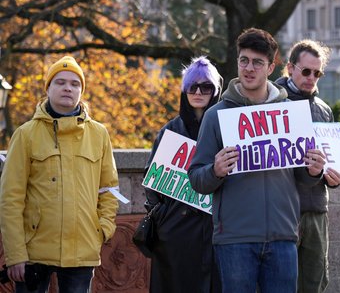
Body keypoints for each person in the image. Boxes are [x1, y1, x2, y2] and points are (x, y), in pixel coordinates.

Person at [188, 28, 326, 293]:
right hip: (234, 240)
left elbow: (303, 177)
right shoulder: (216, 115)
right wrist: (215, 170)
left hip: (284, 238)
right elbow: (196, 178)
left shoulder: (290, 114)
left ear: (271, 67)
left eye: (257, 62)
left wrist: (314, 170)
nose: (249, 68)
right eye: (244, 60)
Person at [0, 56, 120, 293]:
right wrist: (16, 255)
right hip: (34, 252)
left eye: (75, 84)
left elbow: (109, 189)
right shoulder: (25, 135)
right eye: (60, 82)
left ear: (81, 91)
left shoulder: (99, 134)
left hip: (83, 249)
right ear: (48, 89)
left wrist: (102, 229)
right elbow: (10, 199)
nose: (68, 88)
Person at [143, 56, 222, 293]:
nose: (198, 92)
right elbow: (152, 180)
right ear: (184, 90)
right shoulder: (170, 130)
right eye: (192, 86)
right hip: (176, 234)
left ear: (215, 90)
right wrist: (164, 217)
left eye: (206, 87)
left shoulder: (225, 128)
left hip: (215, 231)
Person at [275, 39, 340, 293]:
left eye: (318, 73)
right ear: (290, 68)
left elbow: (332, 162)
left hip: (316, 210)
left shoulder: (324, 110)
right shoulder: (272, 102)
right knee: (279, 283)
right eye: (306, 71)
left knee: (315, 282)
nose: (312, 77)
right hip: (282, 210)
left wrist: (334, 177)